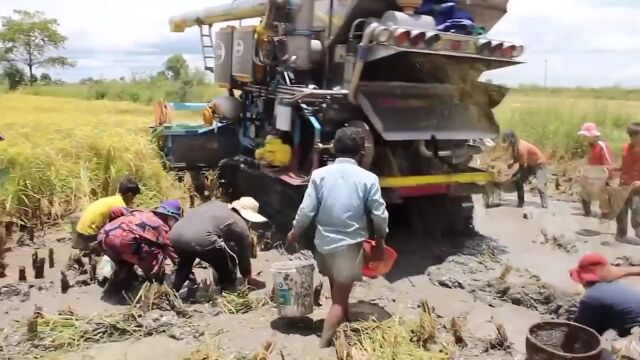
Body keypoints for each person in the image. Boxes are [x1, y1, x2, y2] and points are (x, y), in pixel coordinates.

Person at [286, 126, 389, 348]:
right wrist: (380, 241)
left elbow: (306, 210)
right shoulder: (368, 178)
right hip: (348, 247)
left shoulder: (320, 175)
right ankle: (324, 345)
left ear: (333, 148)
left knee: (337, 289)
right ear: (362, 152)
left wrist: (295, 232)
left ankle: (343, 321)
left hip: (323, 244)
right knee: (340, 302)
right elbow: (379, 215)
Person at [169, 197, 267, 293]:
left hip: (175, 234)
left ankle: (172, 290)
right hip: (199, 238)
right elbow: (243, 258)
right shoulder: (240, 225)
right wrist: (248, 278)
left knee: (185, 264)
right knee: (224, 264)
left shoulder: (216, 204)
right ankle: (229, 292)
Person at [97, 200, 181, 292]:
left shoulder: (137, 212)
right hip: (128, 243)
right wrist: (180, 265)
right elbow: (170, 249)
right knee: (157, 255)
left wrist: (114, 226)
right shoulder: (162, 227)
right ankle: (154, 286)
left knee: (122, 257)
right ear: (169, 216)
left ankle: (111, 278)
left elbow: (114, 210)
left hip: (104, 237)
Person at [568, 252, 640, 337]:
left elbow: (581, 329)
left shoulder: (591, 297)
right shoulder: (616, 285)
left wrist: (566, 346)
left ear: (583, 279)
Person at [74, 177, 140, 251]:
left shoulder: (113, 199)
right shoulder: (120, 206)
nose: (133, 199)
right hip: (90, 234)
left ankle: (87, 252)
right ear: (130, 195)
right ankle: (95, 250)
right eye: (134, 196)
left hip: (80, 229)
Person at [502, 130, 548, 208]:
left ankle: (545, 205)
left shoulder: (521, 147)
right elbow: (518, 158)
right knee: (518, 181)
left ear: (511, 139)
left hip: (540, 164)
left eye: (506, 140)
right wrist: (513, 163)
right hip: (530, 164)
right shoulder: (514, 146)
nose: (506, 143)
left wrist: (512, 177)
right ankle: (520, 203)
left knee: (540, 185)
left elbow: (521, 168)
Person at [577, 122, 613, 217]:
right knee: (584, 193)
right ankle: (587, 214)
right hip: (591, 174)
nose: (584, 138)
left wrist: (608, 178)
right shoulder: (591, 146)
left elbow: (608, 163)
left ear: (593, 135)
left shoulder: (602, 146)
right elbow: (591, 161)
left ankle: (606, 218)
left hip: (601, 175)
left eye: (585, 136)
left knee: (603, 198)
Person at [615, 123, 640, 245]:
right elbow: (622, 166)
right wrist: (612, 170)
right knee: (620, 213)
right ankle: (621, 236)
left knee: (637, 215)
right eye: (631, 136)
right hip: (624, 186)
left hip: (638, 190)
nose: (633, 139)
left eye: (635, 136)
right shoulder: (625, 148)